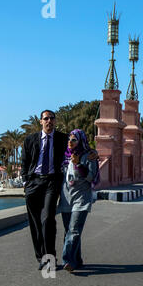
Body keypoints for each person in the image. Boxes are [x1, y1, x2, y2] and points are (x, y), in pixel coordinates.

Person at [21, 109, 98, 271]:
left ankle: (50, 258)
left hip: (52, 181)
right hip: (33, 183)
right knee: (34, 223)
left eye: (52, 118)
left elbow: (80, 145)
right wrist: (25, 182)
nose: (49, 121)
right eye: (46, 118)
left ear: (55, 121)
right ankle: (42, 257)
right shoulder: (30, 140)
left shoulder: (63, 138)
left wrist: (94, 152)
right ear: (41, 121)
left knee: (48, 218)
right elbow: (25, 162)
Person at [58, 129, 99, 272]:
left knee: (74, 230)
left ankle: (68, 260)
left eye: (74, 140)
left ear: (80, 141)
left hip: (81, 197)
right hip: (66, 197)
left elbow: (91, 177)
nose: (70, 142)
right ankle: (77, 260)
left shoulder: (89, 156)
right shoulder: (63, 156)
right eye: (69, 140)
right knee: (69, 231)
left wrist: (79, 165)